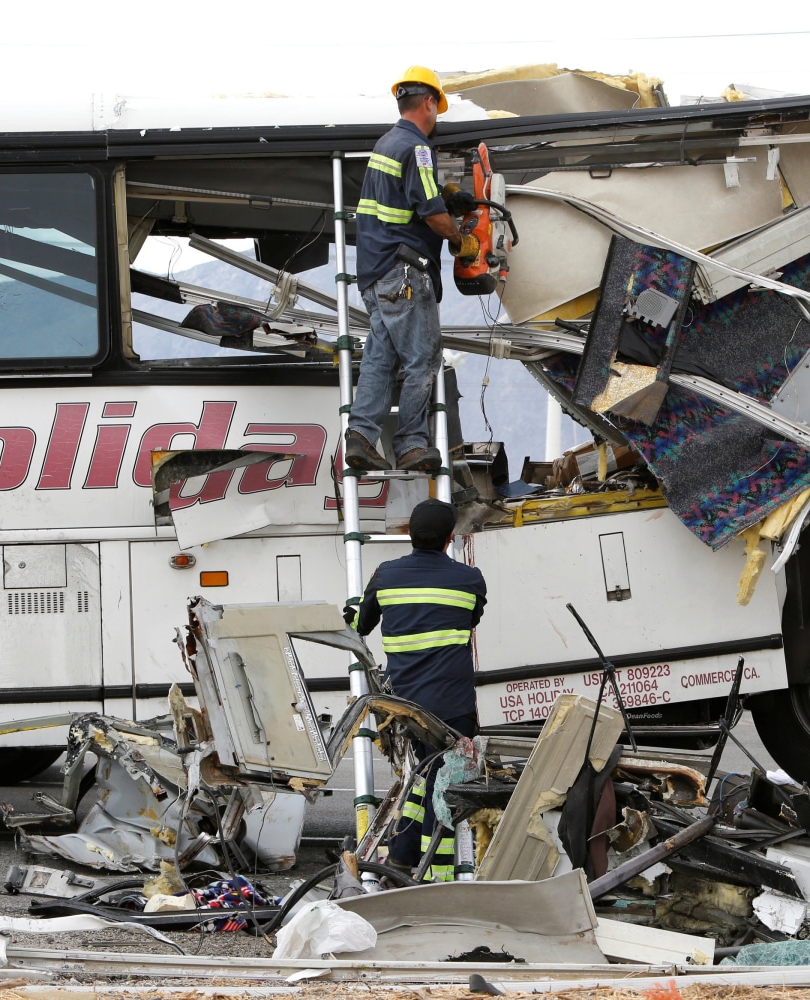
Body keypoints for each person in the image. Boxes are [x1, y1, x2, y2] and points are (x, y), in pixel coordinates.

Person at [345, 67, 479, 474]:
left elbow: (403, 206)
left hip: (374, 272)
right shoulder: (419, 149)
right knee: (423, 357)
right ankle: (411, 444)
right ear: (428, 104)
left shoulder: (386, 145)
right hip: (404, 272)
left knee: (381, 358)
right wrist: (460, 240)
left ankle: (362, 436)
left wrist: (443, 196)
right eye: (437, 108)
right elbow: (431, 214)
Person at [354, 499, 486, 880]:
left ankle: (401, 855)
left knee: (421, 778)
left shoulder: (385, 575)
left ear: (409, 534)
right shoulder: (470, 579)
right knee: (447, 788)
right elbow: (472, 617)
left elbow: (360, 625)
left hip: (407, 706)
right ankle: (438, 876)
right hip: (454, 704)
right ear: (449, 539)